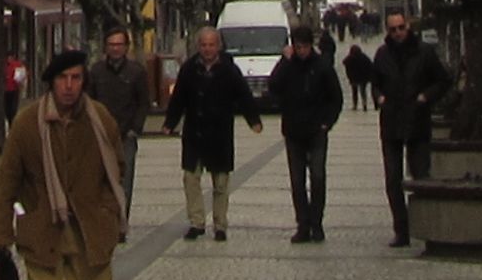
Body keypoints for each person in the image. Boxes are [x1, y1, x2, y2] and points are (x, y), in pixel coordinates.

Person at [0, 48, 128, 280]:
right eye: (62, 79)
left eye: (76, 78)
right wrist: (2, 237)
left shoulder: (100, 119)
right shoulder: (27, 124)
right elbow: (6, 181)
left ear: (84, 81)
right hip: (42, 226)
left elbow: (116, 170)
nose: (69, 86)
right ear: (51, 83)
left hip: (90, 227)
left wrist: (109, 212)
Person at [362, 9, 451, 250]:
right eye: (393, 29)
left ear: (408, 27)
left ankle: (425, 228)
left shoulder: (424, 52)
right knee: (393, 180)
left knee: (421, 177)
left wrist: (425, 97)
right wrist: (379, 97)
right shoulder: (382, 54)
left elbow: (443, 80)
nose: (398, 33)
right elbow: (375, 83)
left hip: (417, 121)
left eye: (401, 27)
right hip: (391, 124)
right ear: (387, 31)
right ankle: (401, 229)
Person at [166, 23, 260, 241]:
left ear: (218, 46)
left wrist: (253, 120)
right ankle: (196, 222)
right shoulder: (189, 68)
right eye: (204, 45)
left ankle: (220, 225)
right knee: (191, 179)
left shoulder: (229, 70)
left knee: (221, 183)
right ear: (198, 46)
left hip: (219, 133)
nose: (207, 49)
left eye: (211, 45)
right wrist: (170, 122)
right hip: (194, 133)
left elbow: (244, 96)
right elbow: (179, 97)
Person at [263, 23, 344, 243]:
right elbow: (273, 87)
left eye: (304, 47)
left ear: (311, 46)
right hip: (293, 131)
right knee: (297, 182)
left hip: (317, 131)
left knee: (317, 177)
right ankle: (303, 225)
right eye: (297, 47)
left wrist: (327, 123)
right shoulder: (288, 66)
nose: (301, 51)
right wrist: (283, 61)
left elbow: (335, 98)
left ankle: (316, 223)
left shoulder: (322, 67)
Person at [84, 28, 162, 152]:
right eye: (112, 45)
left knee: (126, 170)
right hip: (101, 134)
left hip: (126, 135)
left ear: (126, 47)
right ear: (105, 46)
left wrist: (135, 128)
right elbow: (88, 100)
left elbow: (143, 102)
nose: (115, 49)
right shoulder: (96, 71)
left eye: (119, 44)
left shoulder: (136, 72)